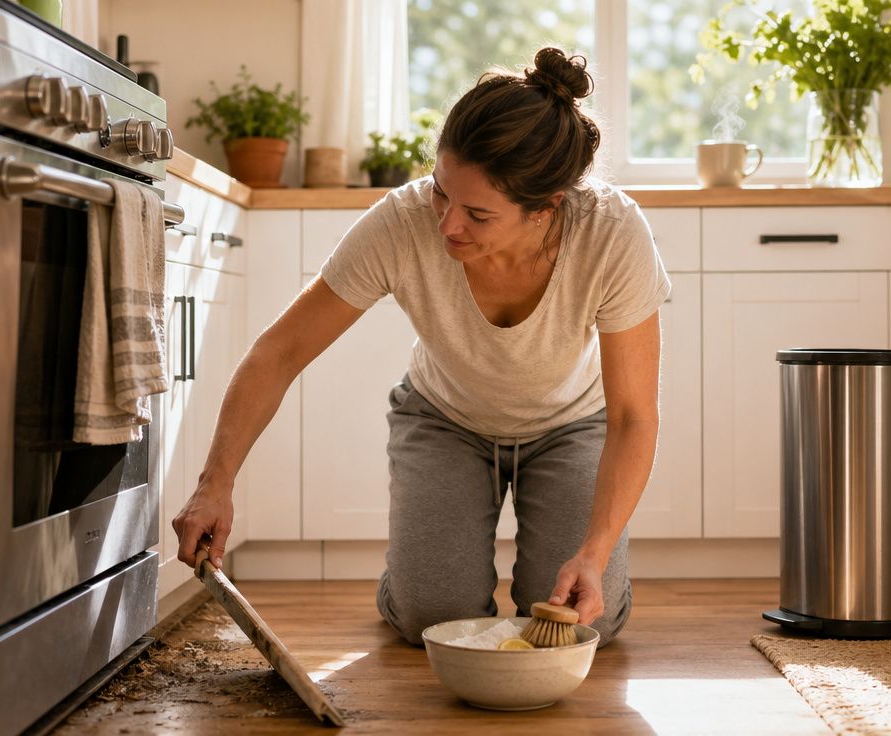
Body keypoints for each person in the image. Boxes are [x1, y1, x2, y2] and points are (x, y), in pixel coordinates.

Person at [172, 47, 670, 647]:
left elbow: (634, 417)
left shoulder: (611, 234)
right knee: (430, 618)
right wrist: (214, 482)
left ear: (545, 208)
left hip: (571, 424)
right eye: (441, 193)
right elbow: (279, 352)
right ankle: (416, 577)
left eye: (478, 215)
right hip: (446, 420)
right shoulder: (403, 222)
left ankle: (604, 572)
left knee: (588, 617)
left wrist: (593, 553)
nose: (447, 226)